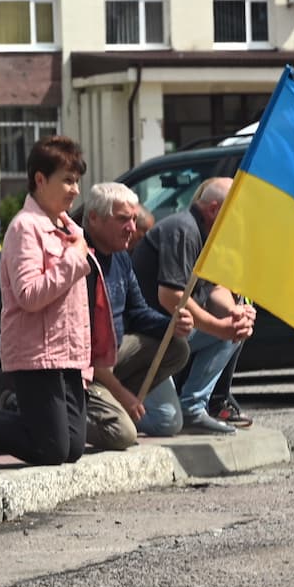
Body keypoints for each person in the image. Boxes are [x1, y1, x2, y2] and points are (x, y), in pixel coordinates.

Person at [0, 137, 92, 466]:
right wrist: (74, 259)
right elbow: (30, 294)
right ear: (40, 179)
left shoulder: (70, 228)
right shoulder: (25, 227)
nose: (75, 190)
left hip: (68, 354)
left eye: (77, 180)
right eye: (67, 180)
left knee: (72, 448)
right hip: (37, 354)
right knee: (52, 449)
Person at [131, 178, 257, 434]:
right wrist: (219, 327)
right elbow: (171, 297)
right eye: (236, 212)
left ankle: (193, 407)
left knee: (235, 329)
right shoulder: (183, 229)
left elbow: (215, 288)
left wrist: (233, 313)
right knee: (166, 421)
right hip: (149, 340)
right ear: (213, 209)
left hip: (175, 334)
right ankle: (115, 416)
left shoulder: (209, 235)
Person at [76, 182, 195, 447]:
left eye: (132, 219)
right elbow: (87, 349)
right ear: (93, 219)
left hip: (113, 355)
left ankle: (109, 400)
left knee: (177, 346)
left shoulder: (120, 257)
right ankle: (64, 416)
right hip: (85, 366)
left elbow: (138, 312)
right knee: (122, 435)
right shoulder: (78, 261)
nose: (132, 227)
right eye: (122, 220)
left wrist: (172, 325)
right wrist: (122, 393)